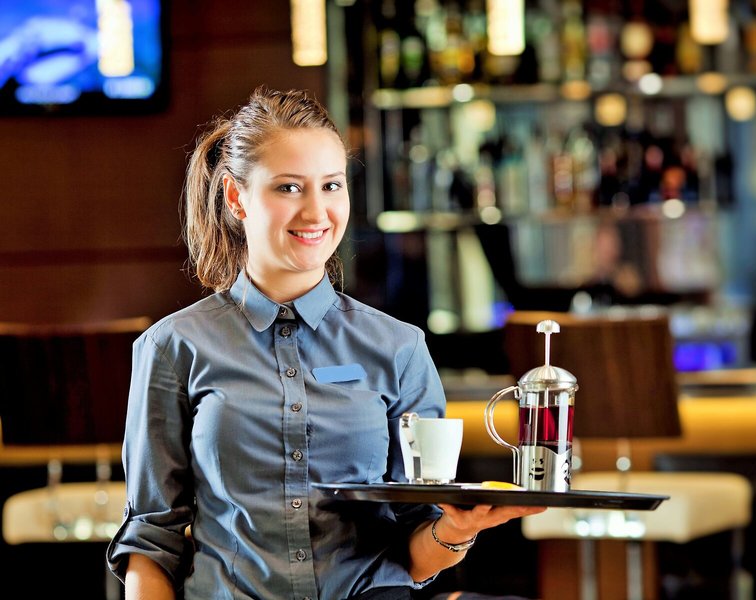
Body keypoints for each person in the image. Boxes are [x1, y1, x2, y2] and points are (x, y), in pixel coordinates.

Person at [106, 86, 544, 600]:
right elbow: (151, 542)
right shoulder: (172, 347)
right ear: (236, 197)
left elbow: (415, 548)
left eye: (332, 185)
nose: (317, 212)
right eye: (289, 187)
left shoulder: (400, 348)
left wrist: (456, 531)